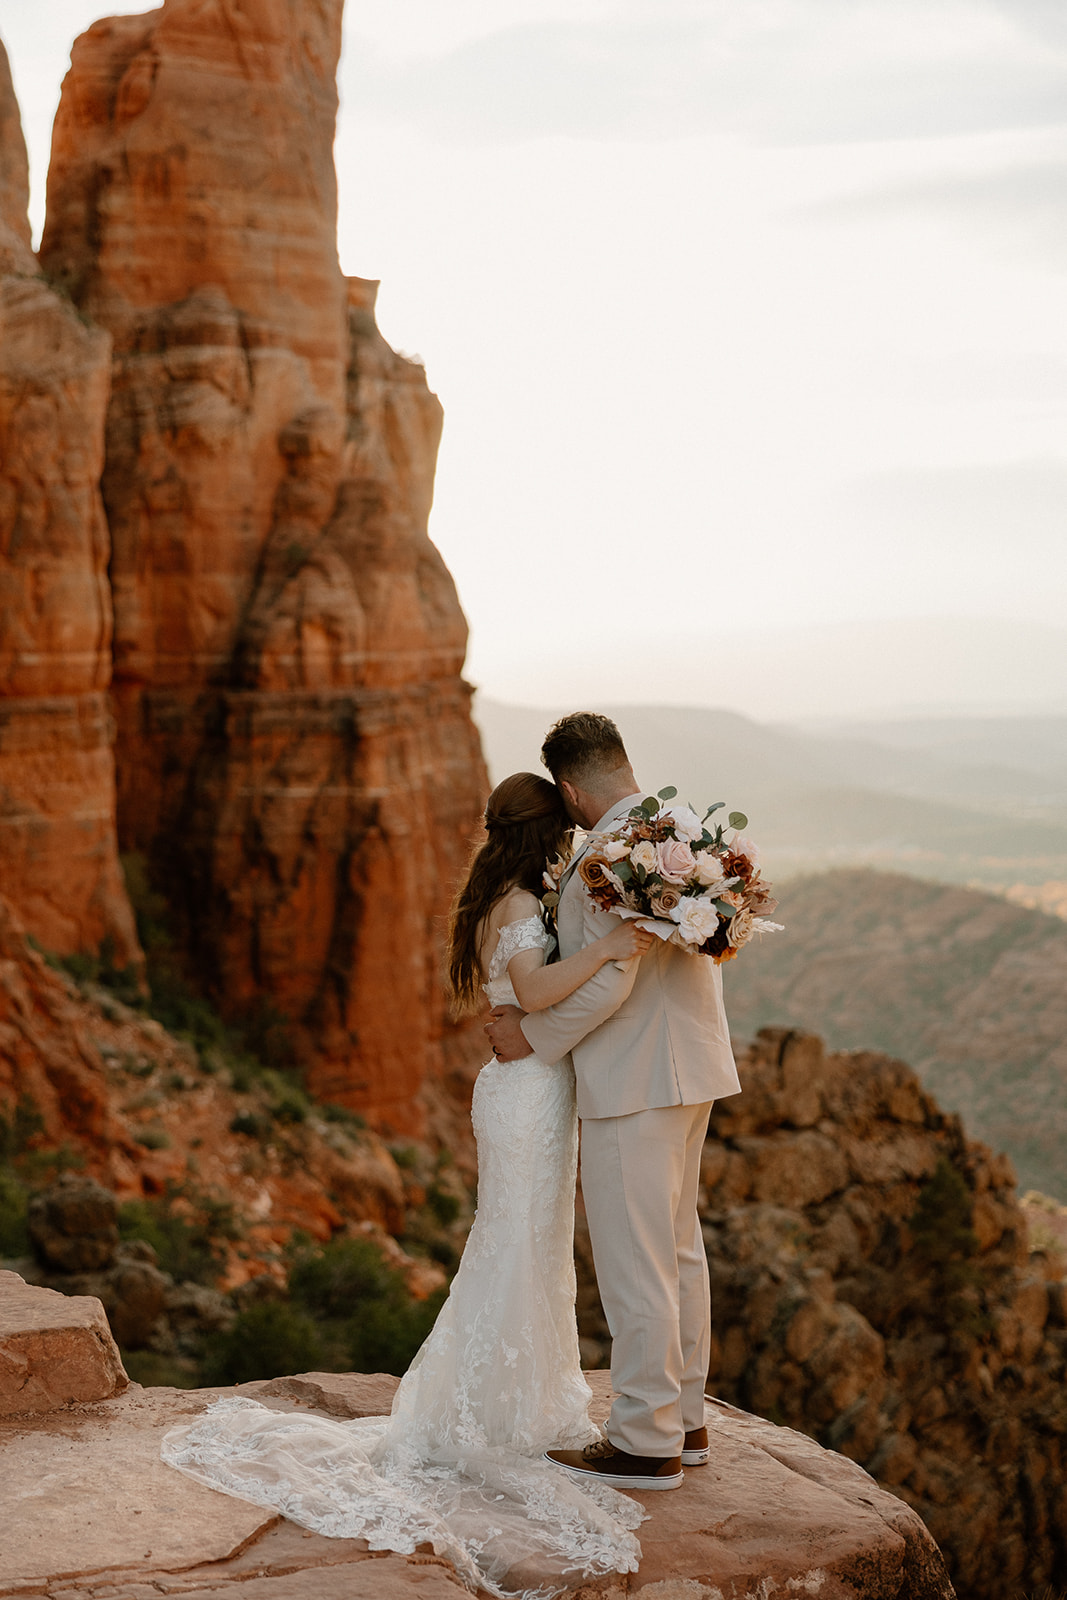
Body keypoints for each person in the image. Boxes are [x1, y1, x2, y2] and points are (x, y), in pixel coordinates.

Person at [161, 771, 652, 1600]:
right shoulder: (522, 907)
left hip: (528, 1089)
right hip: (525, 1095)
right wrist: (606, 949)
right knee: (513, 1248)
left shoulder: (506, 893)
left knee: (525, 1249)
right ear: (547, 831)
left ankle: (515, 1402)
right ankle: (484, 1416)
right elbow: (531, 993)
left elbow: (522, 999)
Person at [485, 713, 742, 1494]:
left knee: (636, 1261)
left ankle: (641, 1440)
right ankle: (684, 1419)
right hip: (692, 1063)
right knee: (676, 1248)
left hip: (632, 1078)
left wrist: (533, 1037)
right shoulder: (684, 829)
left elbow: (610, 978)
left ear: (567, 789)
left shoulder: (607, 857)